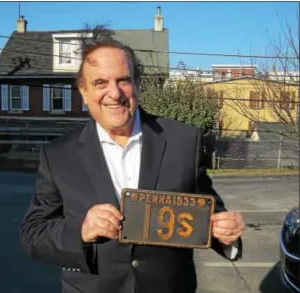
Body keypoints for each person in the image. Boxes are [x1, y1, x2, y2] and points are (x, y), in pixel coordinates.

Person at [20, 35, 245, 293]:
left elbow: (208, 212)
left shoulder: (183, 140)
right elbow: (33, 233)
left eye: (123, 80)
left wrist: (226, 234)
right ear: (84, 92)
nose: (114, 93)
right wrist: (80, 230)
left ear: (137, 83)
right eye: (100, 82)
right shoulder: (58, 155)